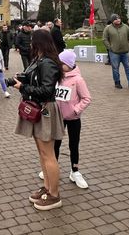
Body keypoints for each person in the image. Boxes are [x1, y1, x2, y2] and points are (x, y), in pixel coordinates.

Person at [13, 29, 65, 210]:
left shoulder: (48, 62)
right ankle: (47, 188)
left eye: (32, 40)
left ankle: (54, 195)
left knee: (48, 154)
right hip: (38, 108)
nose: (30, 43)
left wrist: (23, 87)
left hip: (45, 109)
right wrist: (23, 79)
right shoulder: (39, 59)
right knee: (42, 153)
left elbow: (47, 90)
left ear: (39, 42)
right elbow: (36, 80)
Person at [39, 51, 91, 189]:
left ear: (69, 64)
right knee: (55, 144)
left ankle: (75, 171)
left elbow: (86, 98)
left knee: (74, 145)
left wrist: (75, 110)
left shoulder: (78, 80)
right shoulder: (56, 77)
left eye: (62, 63)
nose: (59, 65)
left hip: (73, 119)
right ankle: (52, 168)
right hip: (58, 118)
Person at [102, 14, 129, 90]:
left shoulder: (126, 27)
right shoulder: (108, 28)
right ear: (112, 20)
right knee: (115, 68)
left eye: (119, 18)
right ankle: (117, 82)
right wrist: (110, 48)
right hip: (114, 53)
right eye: (116, 19)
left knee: (128, 67)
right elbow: (104, 39)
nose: (118, 20)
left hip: (125, 52)